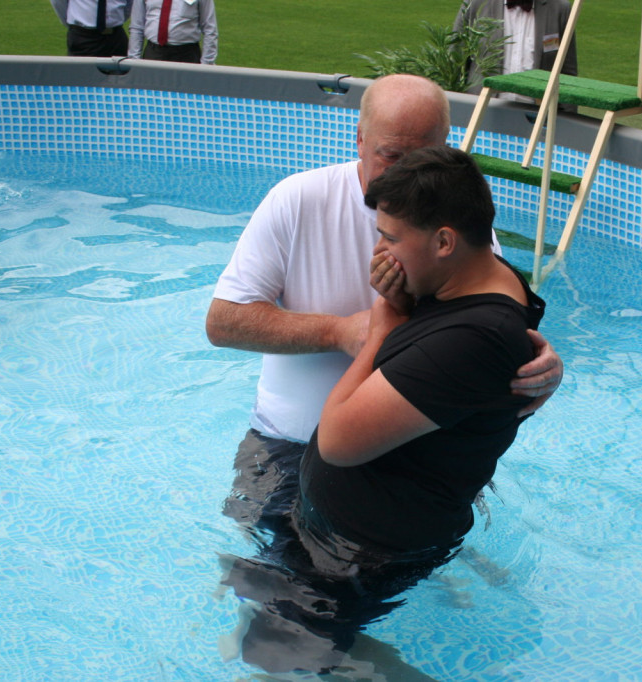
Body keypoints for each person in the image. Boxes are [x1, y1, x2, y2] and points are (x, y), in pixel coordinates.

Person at [219, 145, 546, 675]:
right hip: (346, 531)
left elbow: (338, 442)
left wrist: (382, 324)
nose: (380, 251)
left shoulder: (474, 336)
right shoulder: (473, 278)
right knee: (250, 594)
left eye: (390, 238)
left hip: (362, 553)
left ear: (444, 241)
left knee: (275, 659)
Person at [206, 74, 562, 510]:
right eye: (391, 155)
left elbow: (483, 317)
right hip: (286, 442)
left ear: (447, 148)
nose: (406, 175)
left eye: (423, 157)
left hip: (412, 456)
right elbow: (223, 322)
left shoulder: (459, 224)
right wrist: (338, 333)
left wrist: (535, 363)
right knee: (259, 576)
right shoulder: (297, 200)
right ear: (359, 139)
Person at [453, 0, 579, 103]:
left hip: (536, 116)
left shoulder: (560, 8)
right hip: (482, 110)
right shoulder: (476, 3)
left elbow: (568, 74)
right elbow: (453, 61)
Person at [127, 0, 219, 65]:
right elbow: (137, 27)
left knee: (186, 91)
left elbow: (210, 29)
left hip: (186, 55)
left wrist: (206, 64)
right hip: (154, 53)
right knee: (153, 91)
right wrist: (133, 60)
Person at [50, 0, 133, 58]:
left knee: (118, 80)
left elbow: (129, 4)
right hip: (84, 38)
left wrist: (114, 22)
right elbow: (58, 2)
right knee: (81, 79)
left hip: (116, 37)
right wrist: (73, 23)